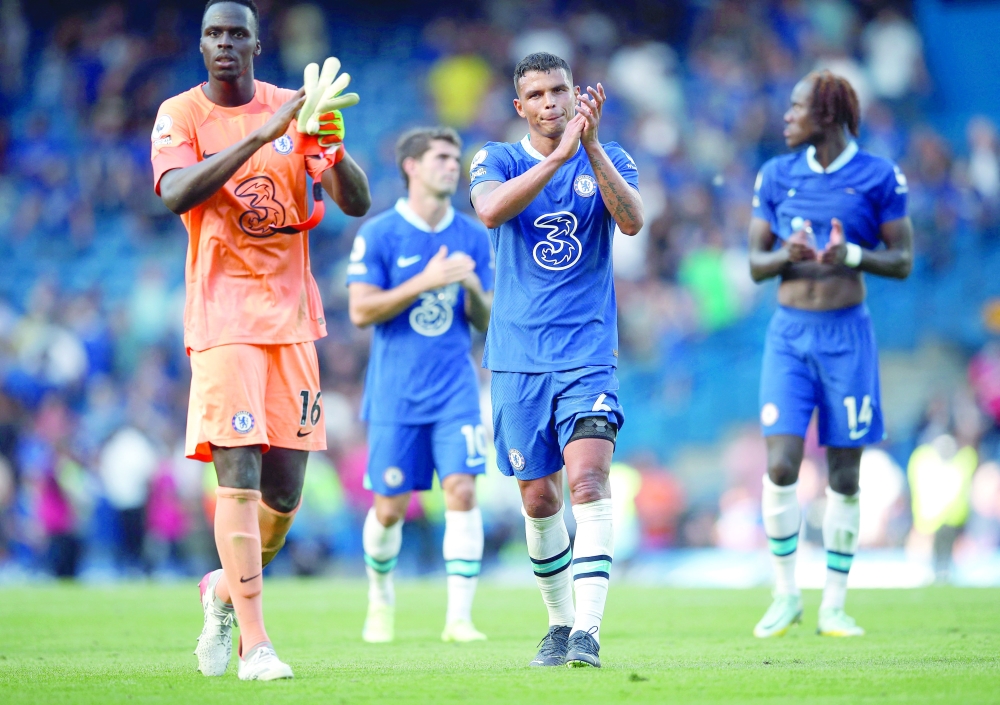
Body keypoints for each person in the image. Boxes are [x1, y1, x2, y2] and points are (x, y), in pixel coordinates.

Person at [150, 0, 370, 680]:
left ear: (255, 43)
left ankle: (221, 588)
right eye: (213, 33)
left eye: (236, 33)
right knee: (237, 477)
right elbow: (176, 192)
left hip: (293, 323)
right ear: (201, 45)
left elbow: (356, 201)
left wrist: (329, 145)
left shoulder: (293, 105)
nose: (224, 43)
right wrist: (260, 135)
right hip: (222, 322)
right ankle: (257, 645)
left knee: (284, 498)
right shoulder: (181, 114)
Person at [470, 52, 643, 668]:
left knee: (589, 482)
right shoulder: (497, 157)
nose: (552, 102)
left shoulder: (612, 157)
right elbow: (490, 210)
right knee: (539, 500)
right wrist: (557, 157)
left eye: (561, 90)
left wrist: (590, 150)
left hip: (587, 353)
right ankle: (558, 622)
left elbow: (632, 222)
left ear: (577, 95)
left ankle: (587, 634)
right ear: (520, 107)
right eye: (538, 94)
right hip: (517, 358)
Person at [748, 70, 913, 638]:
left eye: (796, 108)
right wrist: (785, 254)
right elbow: (754, 262)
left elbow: (903, 260)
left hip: (847, 337)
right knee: (780, 465)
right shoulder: (775, 174)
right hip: (789, 336)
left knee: (844, 474)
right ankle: (786, 593)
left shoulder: (877, 176)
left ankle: (835, 605)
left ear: (827, 115)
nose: (787, 117)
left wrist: (853, 256)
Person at [346, 127, 494, 644]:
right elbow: (361, 310)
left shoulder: (474, 234)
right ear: (410, 166)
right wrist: (425, 282)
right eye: (440, 158)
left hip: (455, 388)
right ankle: (380, 595)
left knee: (462, 489)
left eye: (455, 158)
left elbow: (488, 317)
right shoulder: (381, 233)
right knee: (389, 508)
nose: (452, 166)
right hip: (395, 392)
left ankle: (459, 618)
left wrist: (472, 285)